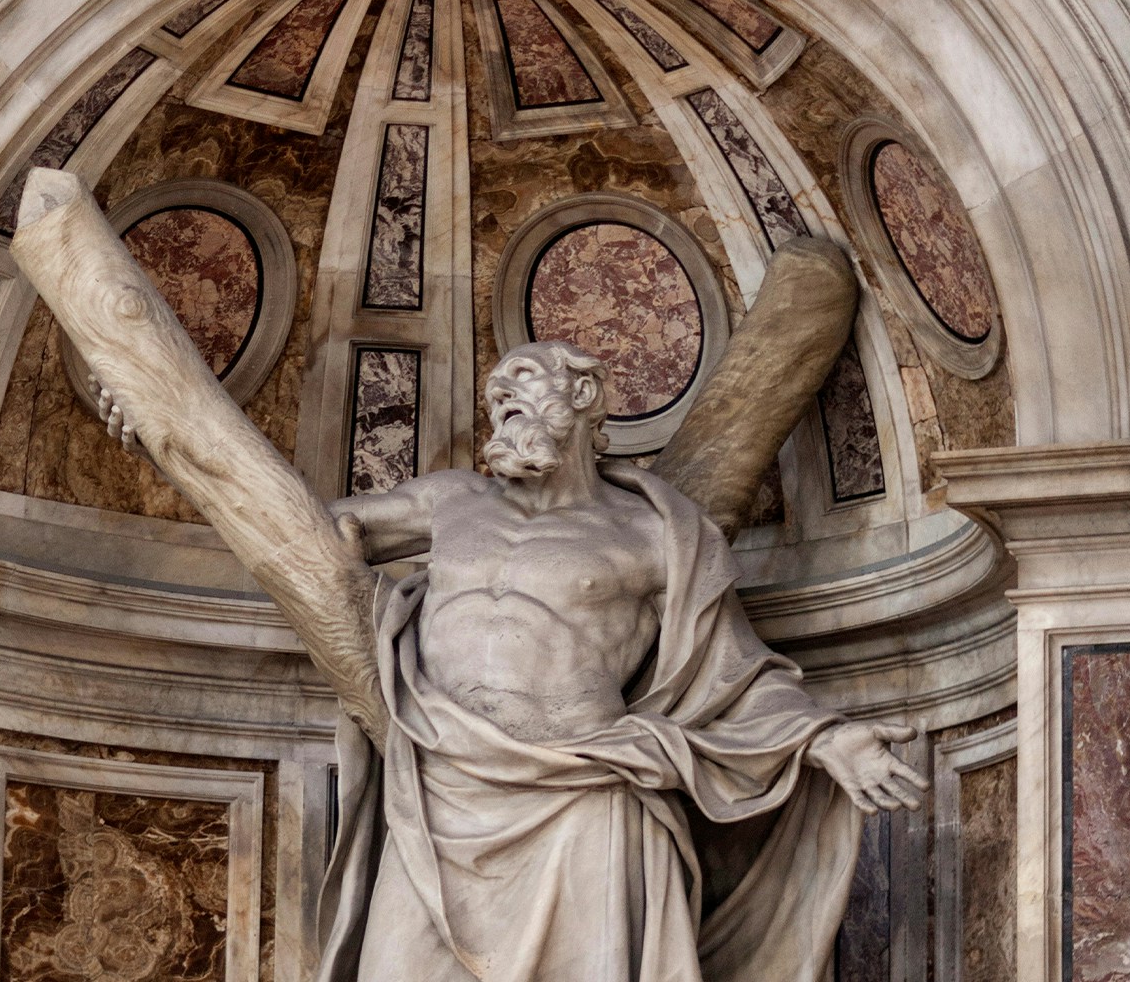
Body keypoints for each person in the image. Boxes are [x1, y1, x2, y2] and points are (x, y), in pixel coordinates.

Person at [312, 340, 928, 982]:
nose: (502, 398)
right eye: (496, 394)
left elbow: (736, 674)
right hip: (439, 785)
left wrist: (825, 738)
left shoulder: (657, 536)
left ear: (583, 394)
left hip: (583, 798)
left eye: (523, 378)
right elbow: (314, 533)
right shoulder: (450, 501)